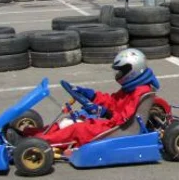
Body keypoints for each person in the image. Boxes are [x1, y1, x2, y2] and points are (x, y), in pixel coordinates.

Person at [22, 48, 161, 148]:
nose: (119, 74)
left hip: (119, 130)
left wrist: (103, 112)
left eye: (122, 71)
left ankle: (37, 142)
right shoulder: (132, 88)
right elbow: (113, 102)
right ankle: (33, 134)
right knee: (70, 120)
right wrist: (91, 95)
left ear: (133, 70)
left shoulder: (140, 92)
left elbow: (123, 119)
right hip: (113, 124)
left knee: (77, 129)